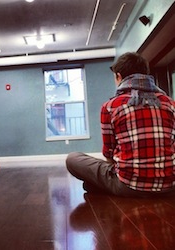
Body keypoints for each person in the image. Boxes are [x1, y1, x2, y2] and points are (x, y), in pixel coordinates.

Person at [66, 52, 175, 197]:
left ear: (119, 76)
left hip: (128, 186)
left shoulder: (111, 106)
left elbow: (108, 153)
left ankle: (104, 185)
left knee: (73, 158)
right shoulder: (170, 103)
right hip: (169, 186)